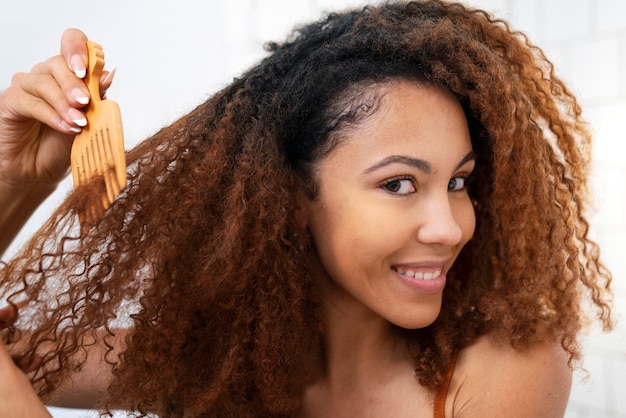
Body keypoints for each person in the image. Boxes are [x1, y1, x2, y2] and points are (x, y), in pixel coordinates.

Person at [0, 1, 614, 417]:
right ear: (289, 195)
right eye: (399, 184)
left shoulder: (507, 365)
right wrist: (20, 175)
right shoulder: (206, 363)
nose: (449, 226)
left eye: (458, 182)